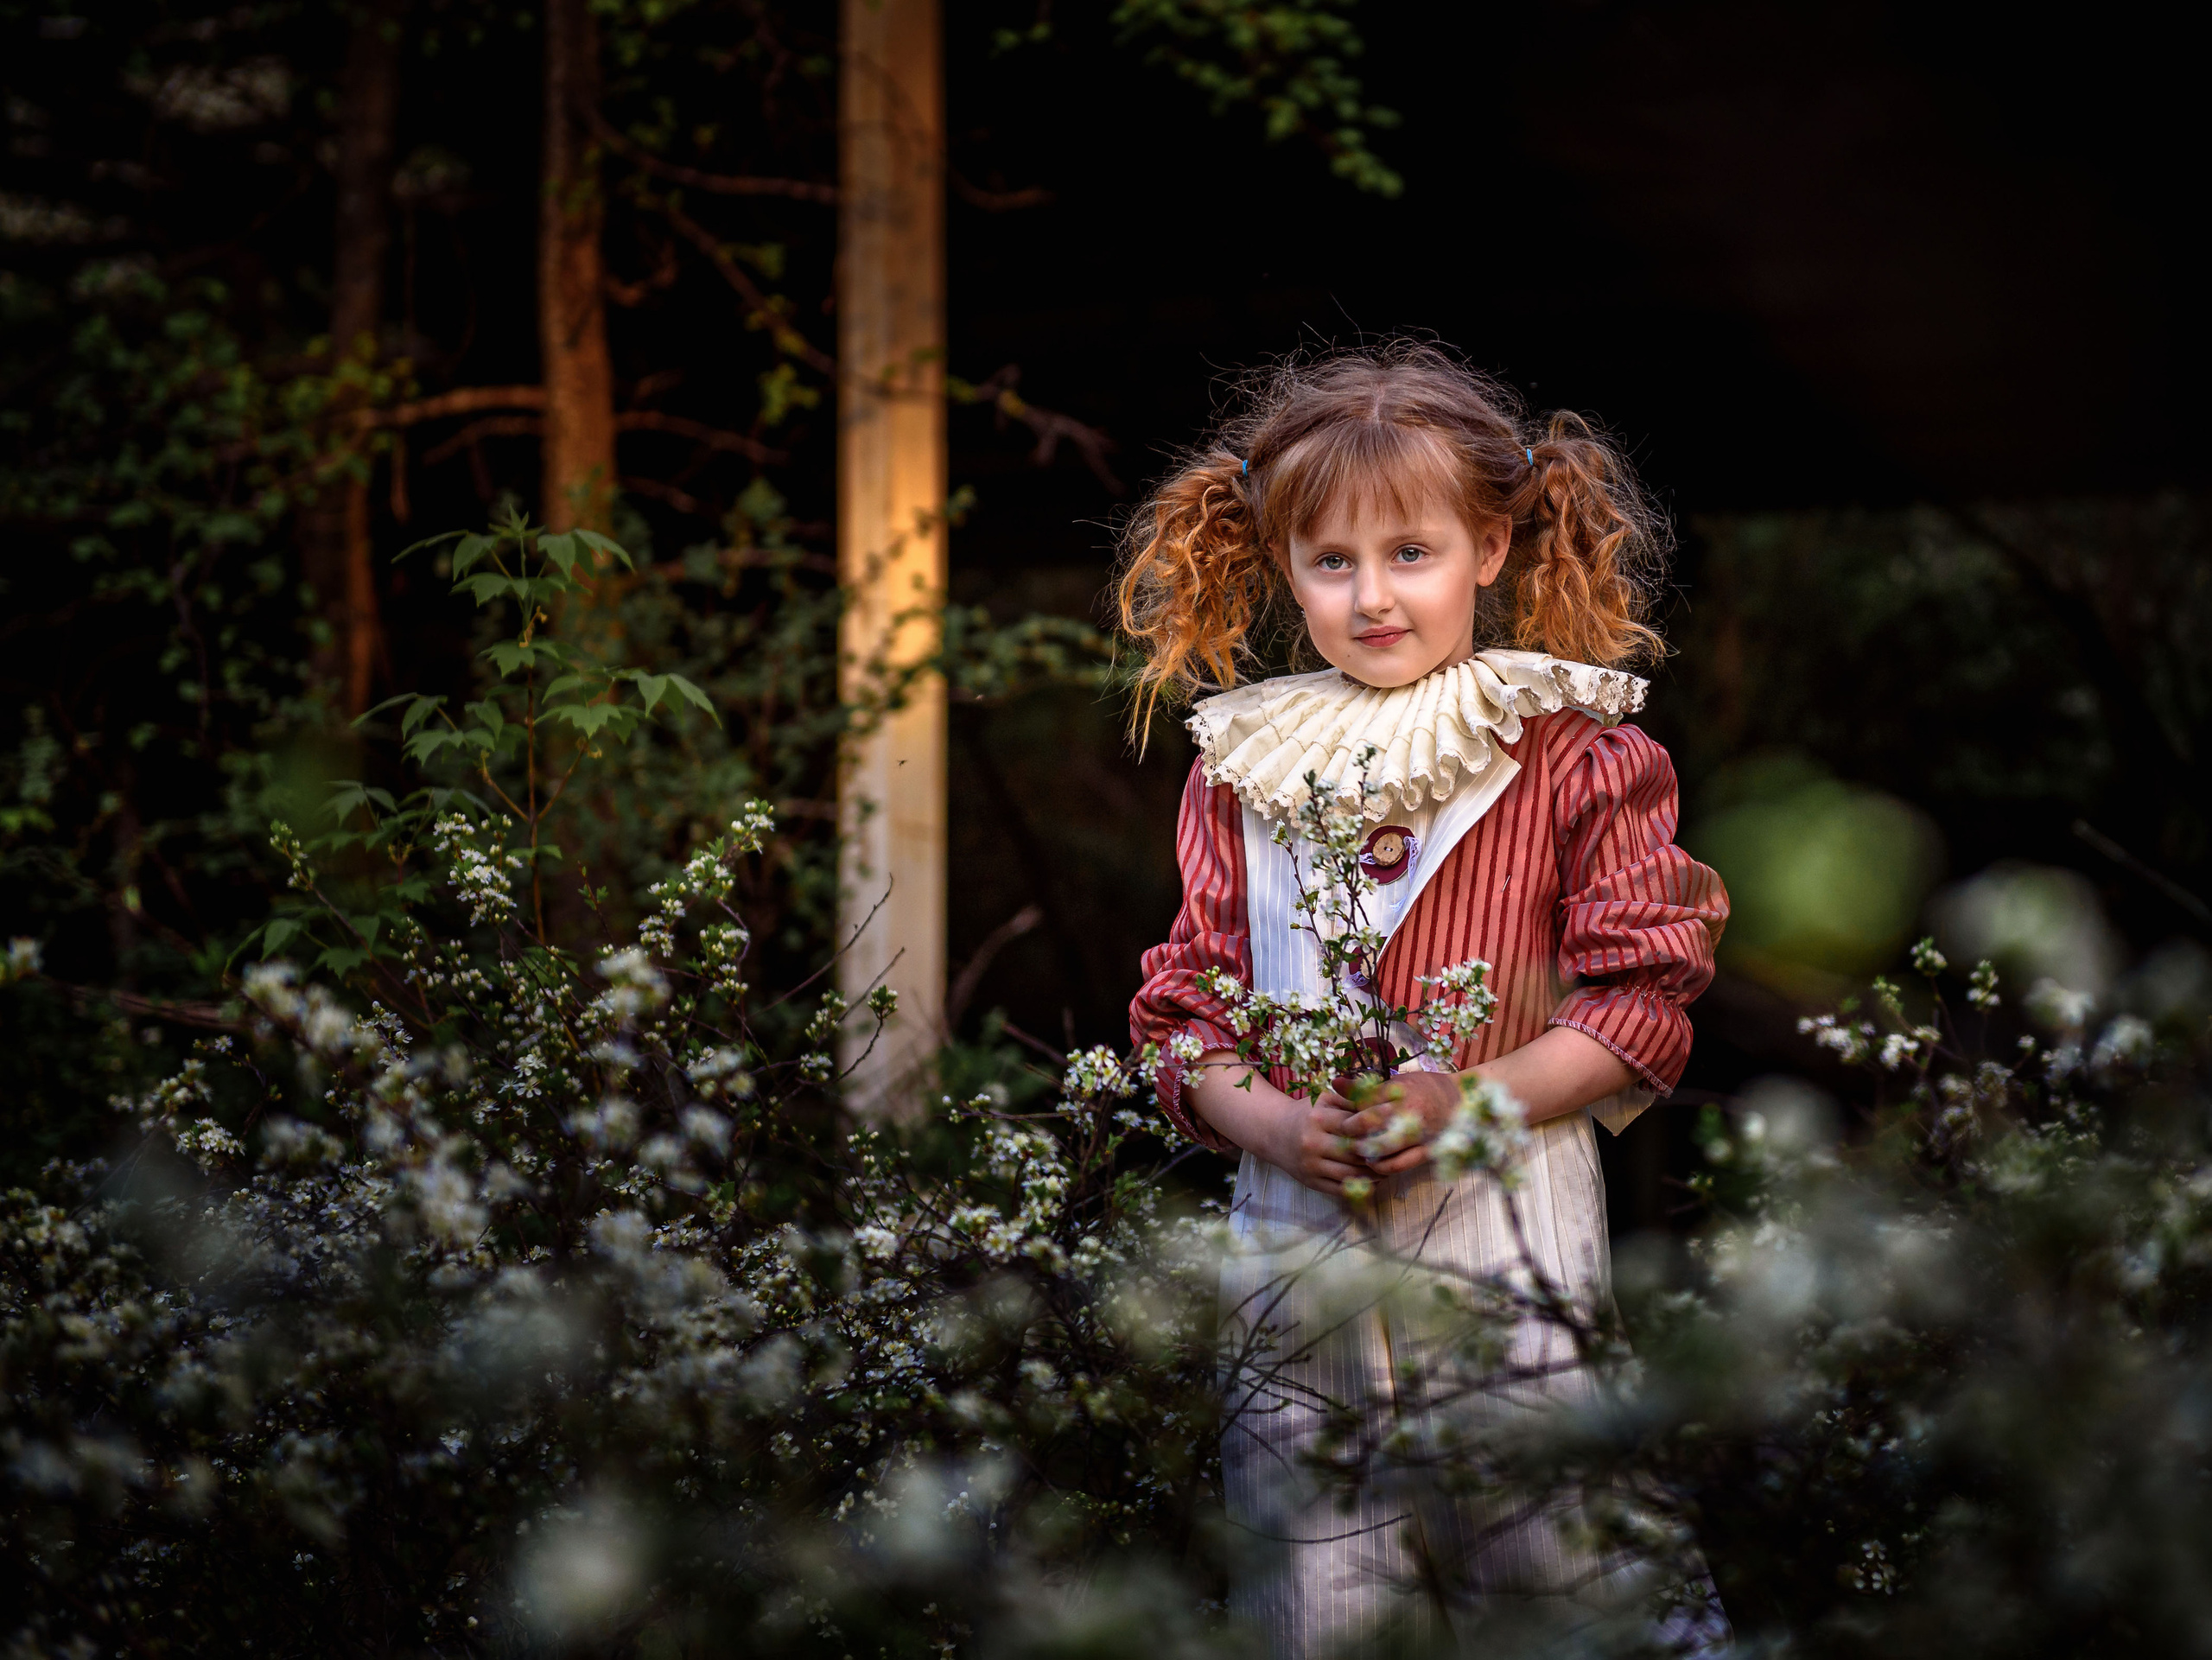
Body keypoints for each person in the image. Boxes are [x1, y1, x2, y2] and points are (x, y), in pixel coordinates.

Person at [1122, 342, 1731, 1656]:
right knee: (1318, 1587)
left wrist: (1469, 1096)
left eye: (1412, 551)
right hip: (1297, 1234)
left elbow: (1641, 994)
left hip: (1504, 1217)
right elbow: (1185, 1014)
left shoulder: (1579, 754)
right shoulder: (1240, 770)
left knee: (1554, 1561)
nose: (1372, 594)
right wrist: (1281, 1128)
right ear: (1284, 565)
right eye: (1331, 560)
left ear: (1494, 546)